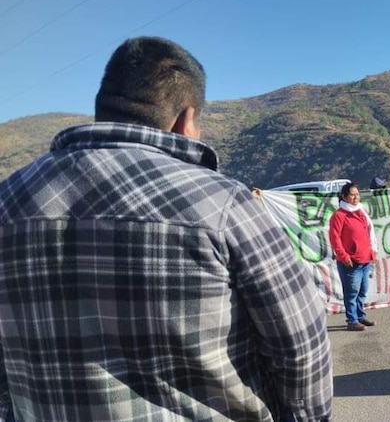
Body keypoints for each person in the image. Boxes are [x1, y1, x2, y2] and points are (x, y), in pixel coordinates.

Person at [0, 37, 332, 420]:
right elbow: (300, 343)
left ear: (102, 107)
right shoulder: (222, 205)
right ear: (185, 118)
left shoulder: (8, 202)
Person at [329, 182, 378, 331]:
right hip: (350, 261)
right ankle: (352, 320)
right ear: (344, 196)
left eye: (357, 194)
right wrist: (344, 256)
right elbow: (334, 238)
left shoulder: (361, 212)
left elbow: (368, 233)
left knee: (362, 291)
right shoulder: (339, 216)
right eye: (352, 194)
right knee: (351, 292)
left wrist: (372, 251)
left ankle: (360, 316)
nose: (356, 197)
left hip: (365, 259)